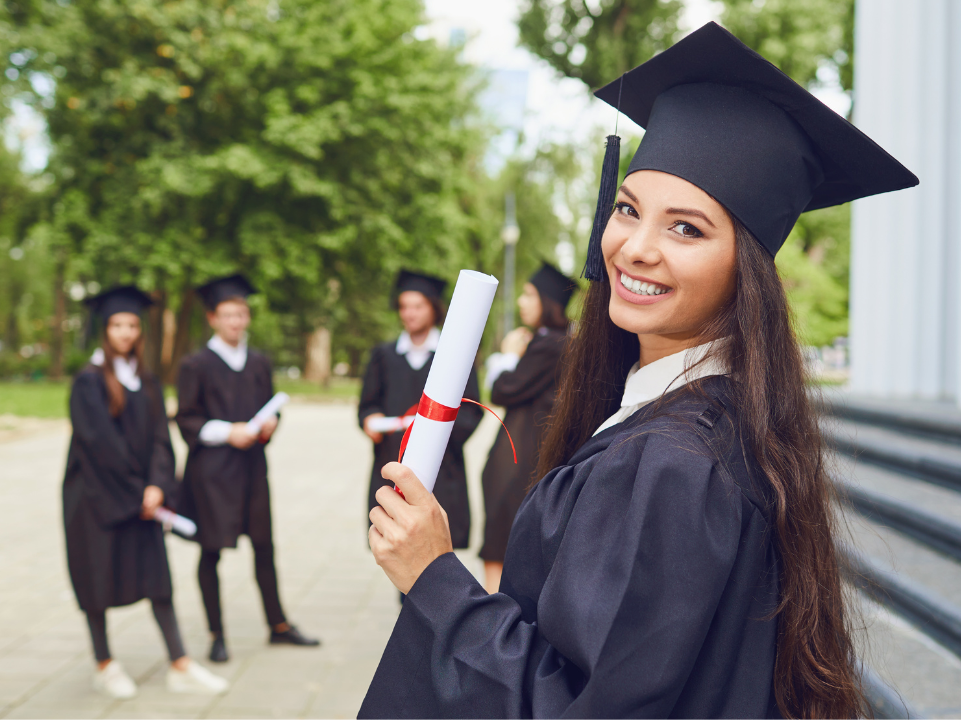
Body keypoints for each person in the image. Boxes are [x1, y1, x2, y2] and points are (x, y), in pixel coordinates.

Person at [359, 22, 918, 719]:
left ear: (744, 270)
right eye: (627, 209)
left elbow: (588, 706)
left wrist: (434, 576)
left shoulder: (674, 466)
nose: (635, 248)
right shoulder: (721, 423)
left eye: (686, 228)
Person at [64, 286, 228, 699]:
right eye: (117, 325)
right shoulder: (88, 382)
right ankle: (104, 663)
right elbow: (100, 445)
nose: (125, 332)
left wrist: (157, 485)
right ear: (105, 329)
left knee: (157, 580)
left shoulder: (147, 380)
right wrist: (140, 492)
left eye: (132, 325)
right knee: (96, 580)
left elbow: (160, 438)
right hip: (96, 499)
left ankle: (180, 663)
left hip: (143, 499)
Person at [175, 275, 319, 664]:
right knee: (211, 550)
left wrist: (269, 427)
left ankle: (278, 625)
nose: (236, 322)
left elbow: (272, 407)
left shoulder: (258, 362)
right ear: (212, 319)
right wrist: (228, 432)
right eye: (227, 315)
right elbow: (186, 419)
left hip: (253, 467)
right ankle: (216, 633)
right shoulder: (195, 364)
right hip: (212, 471)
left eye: (241, 314)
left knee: (264, 545)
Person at [358, 270, 482, 560]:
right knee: (396, 544)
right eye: (404, 306)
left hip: (442, 466)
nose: (409, 314)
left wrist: (435, 436)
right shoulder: (384, 355)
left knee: (436, 552)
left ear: (433, 309)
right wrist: (370, 421)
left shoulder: (454, 356)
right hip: (392, 461)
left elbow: (472, 410)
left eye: (417, 306)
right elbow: (367, 404)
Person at [480, 263, 573, 592]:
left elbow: (503, 389)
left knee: (500, 538)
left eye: (529, 294)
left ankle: (489, 623)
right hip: (526, 452)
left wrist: (508, 356)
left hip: (521, 456)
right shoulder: (559, 340)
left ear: (548, 302)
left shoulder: (551, 343)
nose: (521, 301)